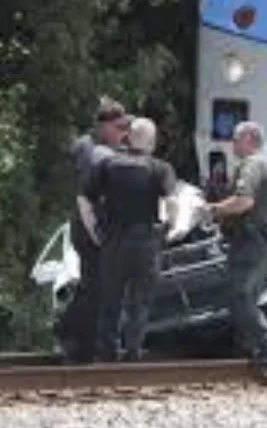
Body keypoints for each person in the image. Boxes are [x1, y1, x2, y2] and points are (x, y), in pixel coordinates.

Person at [78, 117, 181, 362]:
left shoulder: (107, 164)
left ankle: (107, 352)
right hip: (146, 240)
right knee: (140, 300)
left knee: (110, 298)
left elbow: (84, 198)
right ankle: (133, 352)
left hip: (114, 239)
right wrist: (170, 228)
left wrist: (93, 230)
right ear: (152, 141)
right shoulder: (160, 168)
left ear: (128, 137)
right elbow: (172, 202)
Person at [207, 121, 267, 378]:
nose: (232, 145)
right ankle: (258, 354)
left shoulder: (252, 165)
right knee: (247, 299)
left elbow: (244, 201)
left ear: (249, 139)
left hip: (251, 243)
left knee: (240, 298)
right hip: (262, 242)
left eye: (236, 139)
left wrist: (213, 209)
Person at [55, 96, 132, 363]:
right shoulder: (89, 150)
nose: (124, 134)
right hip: (90, 228)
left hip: (99, 228)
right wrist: (97, 233)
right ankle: (72, 338)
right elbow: (88, 196)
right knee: (95, 287)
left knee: (97, 286)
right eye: (119, 128)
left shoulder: (103, 149)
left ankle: (82, 343)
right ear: (104, 125)